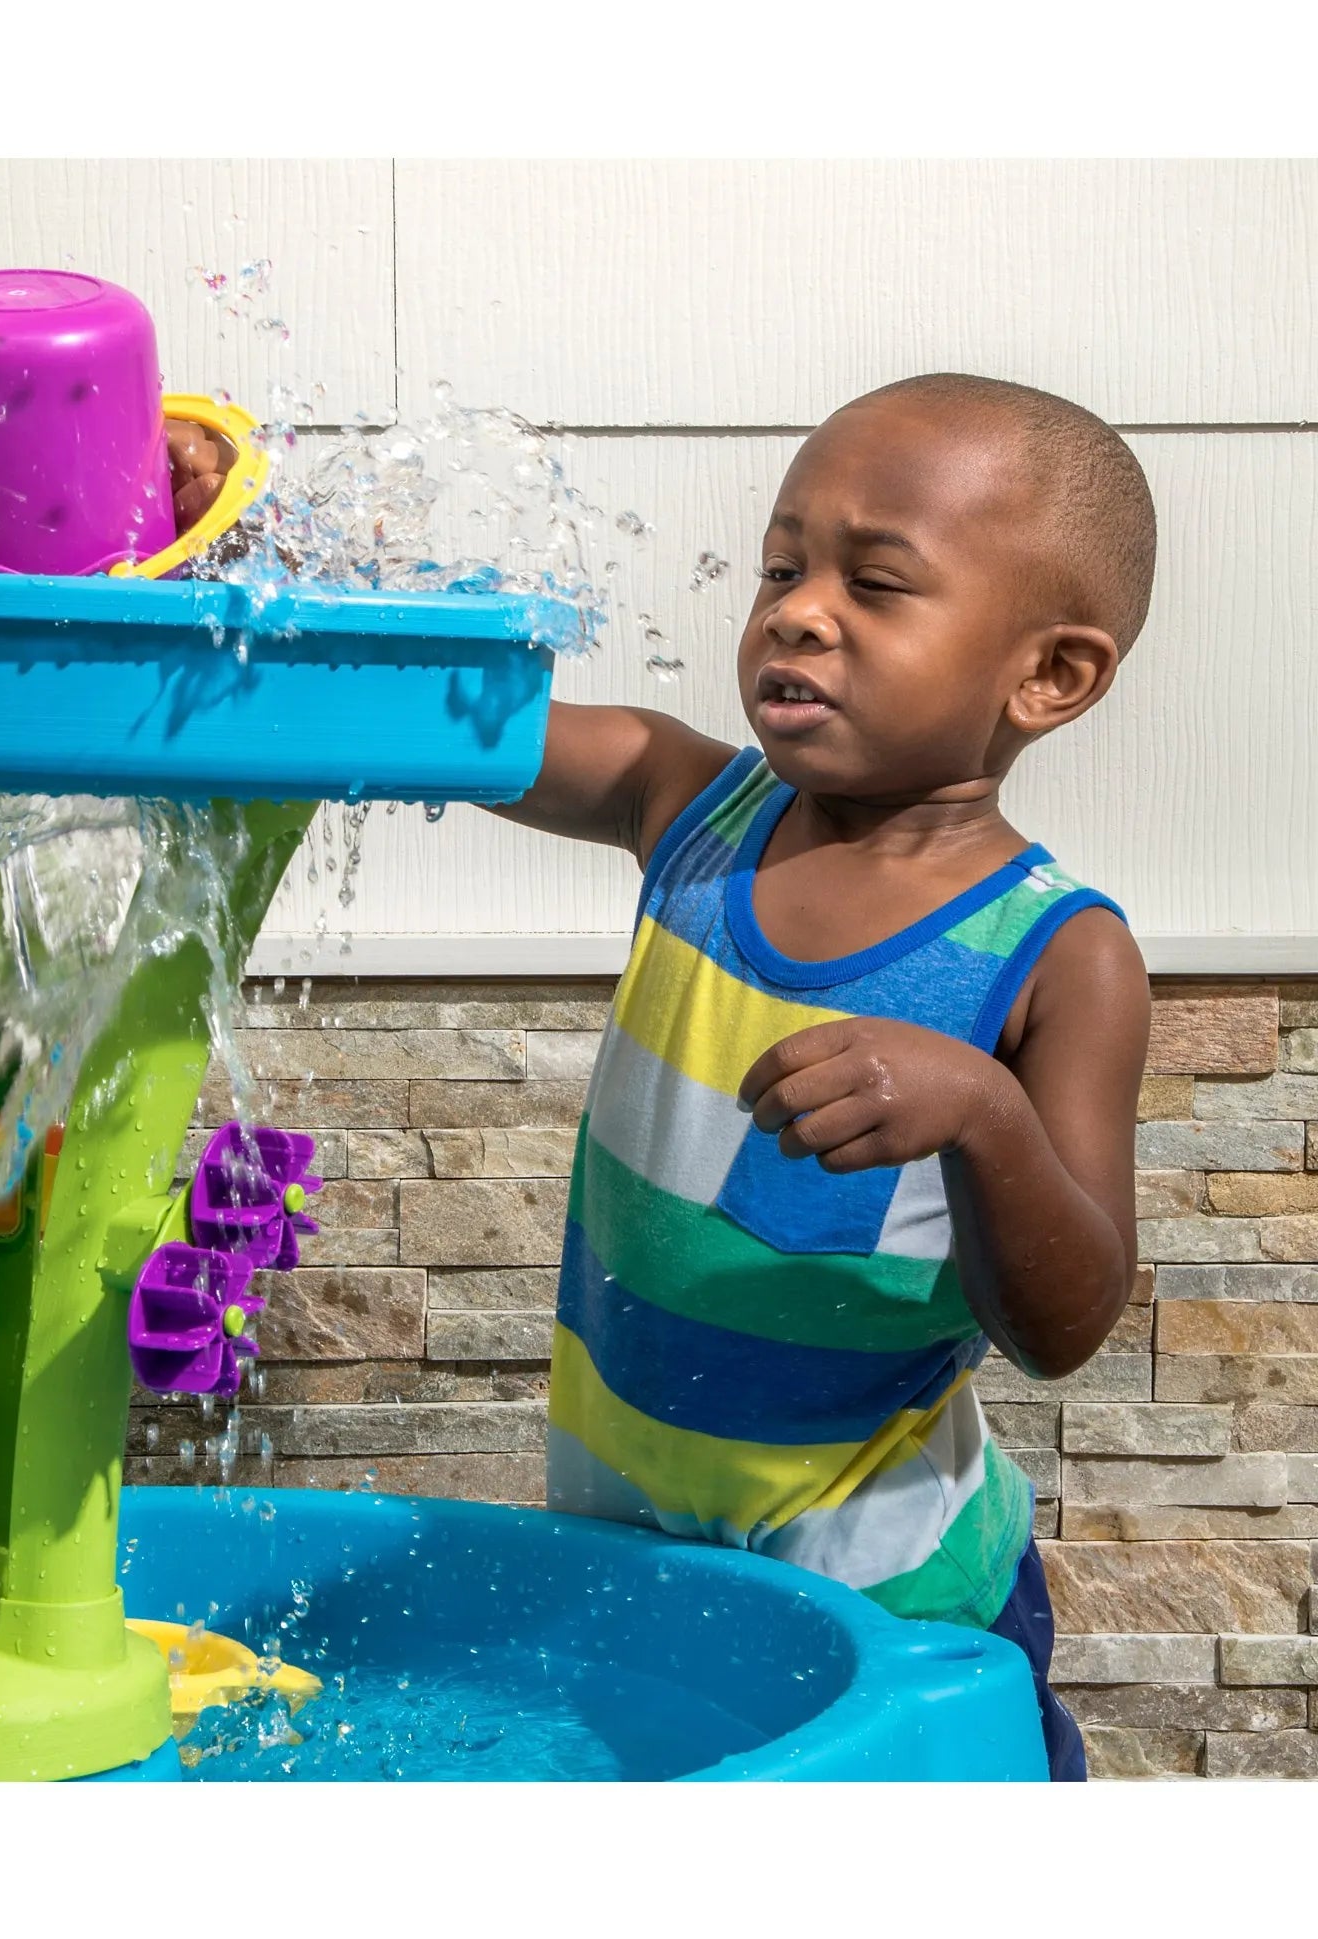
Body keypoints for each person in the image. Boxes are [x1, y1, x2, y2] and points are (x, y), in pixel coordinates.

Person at [491, 374, 1155, 1781]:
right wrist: (259, 612)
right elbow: (458, 730)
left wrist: (983, 1117)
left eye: (878, 583)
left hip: (887, 1593)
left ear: (1049, 676)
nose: (797, 608)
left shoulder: (1053, 956)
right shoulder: (683, 807)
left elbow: (1067, 1320)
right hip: (633, 1546)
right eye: (785, 566)